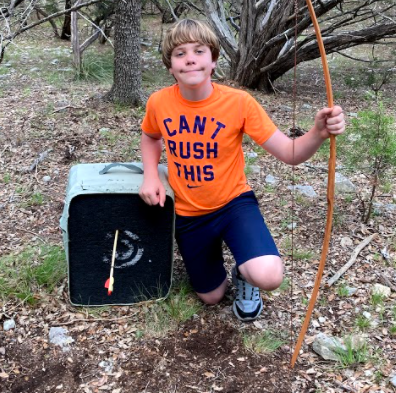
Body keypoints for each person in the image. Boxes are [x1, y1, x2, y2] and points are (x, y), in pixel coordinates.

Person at [139, 19, 345, 322]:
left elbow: (289, 153)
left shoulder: (239, 103)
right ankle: (230, 269)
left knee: (268, 275)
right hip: (187, 214)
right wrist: (151, 174)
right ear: (170, 66)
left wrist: (318, 133)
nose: (190, 58)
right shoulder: (159, 102)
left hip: (234, 205)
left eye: (199, 50)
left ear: (213, 61)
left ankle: (248, 274)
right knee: (211, 297)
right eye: (180, 54)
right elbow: (150, 136)